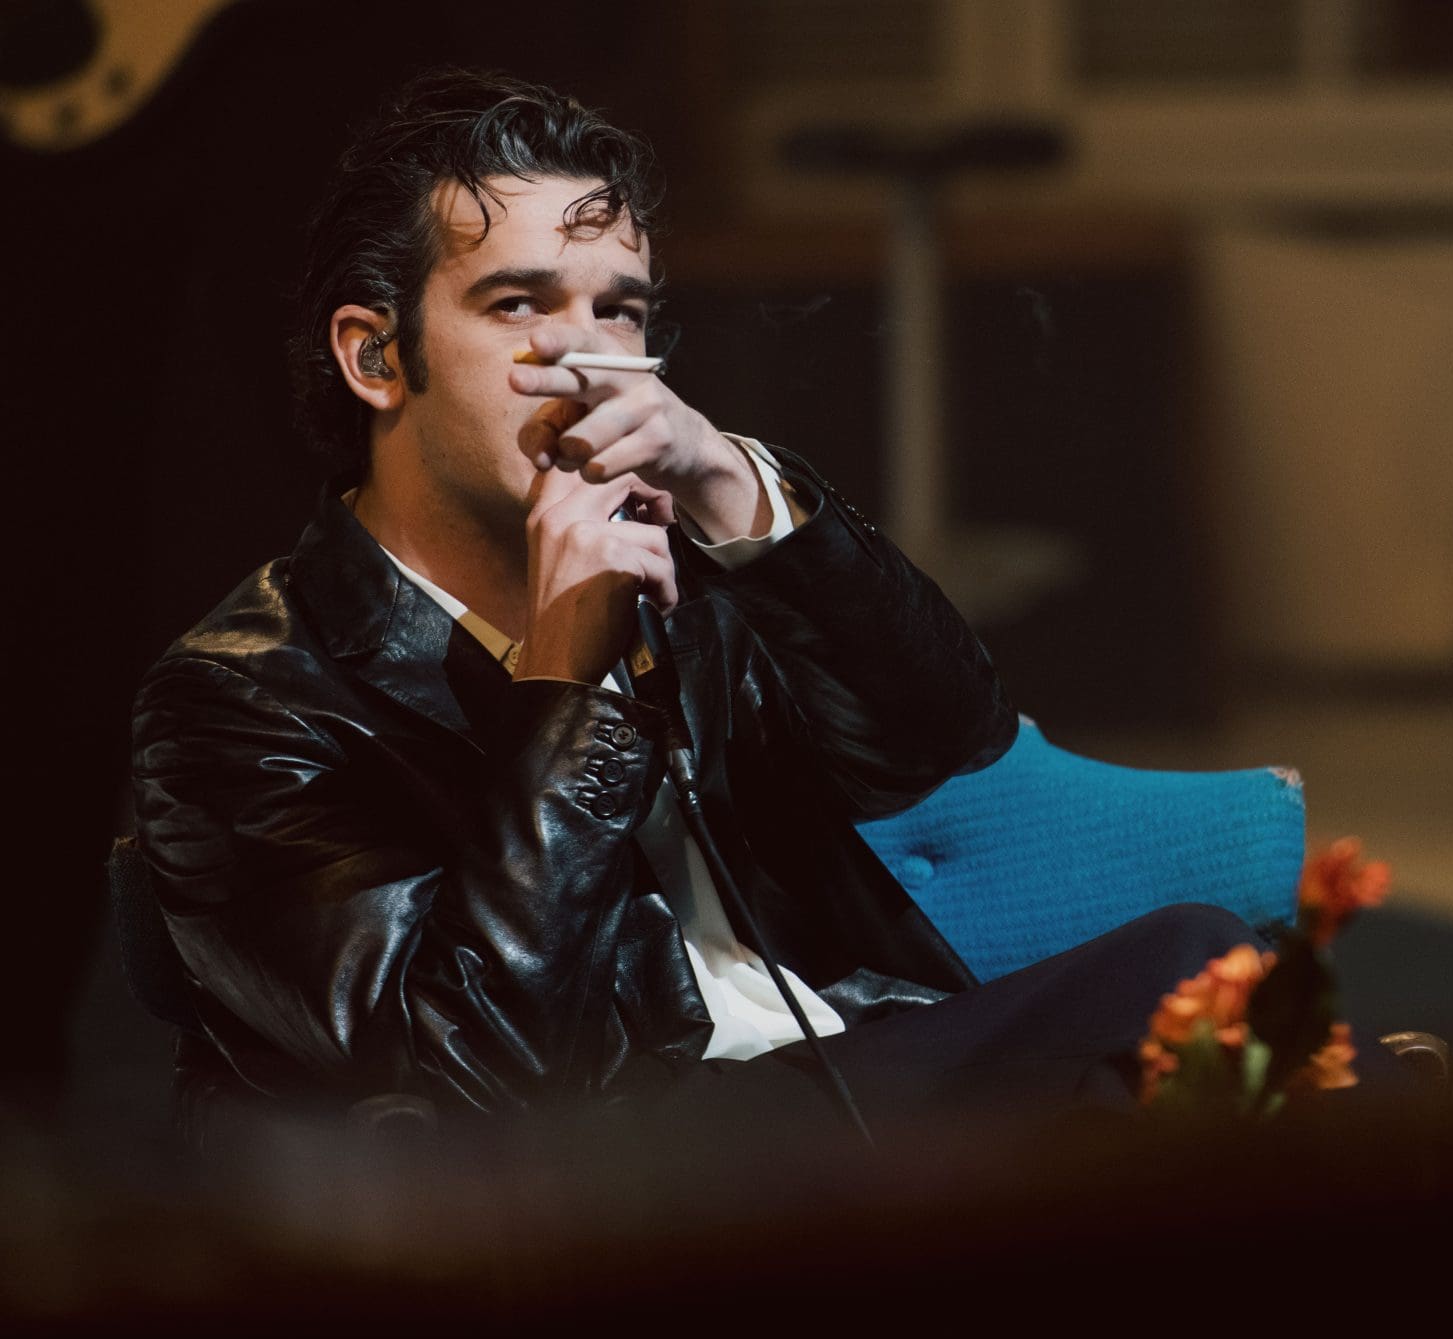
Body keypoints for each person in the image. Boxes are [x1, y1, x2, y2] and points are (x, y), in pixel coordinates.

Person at [129, 69, 1378, 1153]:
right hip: (604, 1165)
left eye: (618, 309)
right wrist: (565, 684)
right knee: (1183, 1009)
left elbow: (943, 739)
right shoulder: (244, 699)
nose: (588, 360)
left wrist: (738, 492)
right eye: (518, 306)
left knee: (1207, 1017)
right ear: (375, 356)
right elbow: (472, 1073)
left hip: (833, 1068)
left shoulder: (688, 573)